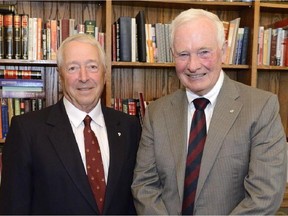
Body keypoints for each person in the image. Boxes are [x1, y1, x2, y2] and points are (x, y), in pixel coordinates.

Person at [132, 8, 287, 215]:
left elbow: (265, 196)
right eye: (183, 54)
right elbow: (144, 187)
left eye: (204, 52)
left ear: (223, 50)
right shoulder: (156, 113)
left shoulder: (261, 108)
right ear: (172, 55)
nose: (193, 65)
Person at [0, 34, 141, 214]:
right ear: (60, 75)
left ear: (105, 73)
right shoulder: (27, 130)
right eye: (73, 68)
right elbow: (13, 208)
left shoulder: (129, 127)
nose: (83, 77)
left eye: (92, 66)